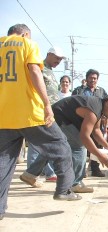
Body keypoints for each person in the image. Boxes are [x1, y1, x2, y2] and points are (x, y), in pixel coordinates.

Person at [0, 24, 81, 220]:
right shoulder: (27, 44)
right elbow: (35, 72)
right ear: (25, 33)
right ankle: (64, 189)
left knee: (3, 163)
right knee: (60, 145)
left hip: (4, 115)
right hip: (30, 112)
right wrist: (46, 104)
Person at [24, 46, 67, 184]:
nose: (58, 61)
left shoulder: (50, 71)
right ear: (49, 54)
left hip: (52, 111)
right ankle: (32, 173)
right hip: (40, 110)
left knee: (48, 143)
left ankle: (36, 173)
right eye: (57, 58)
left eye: (60, 59)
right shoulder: (39, 68)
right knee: (38, 142)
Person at [72, 69, 107, 177]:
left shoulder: (101, 91)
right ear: (86, 79)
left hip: (96, 122)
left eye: (95, 78)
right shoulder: (79, 90)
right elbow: (73, 104)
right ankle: (80, 171)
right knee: (81, 146)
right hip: (81, 122)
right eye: (90, 78)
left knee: (97, 144)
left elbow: (106, 106)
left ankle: (95, 169)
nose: (93, 80)